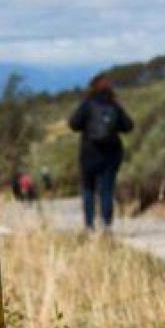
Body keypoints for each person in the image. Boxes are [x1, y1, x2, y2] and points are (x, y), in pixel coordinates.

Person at [67, 73, 134, 231]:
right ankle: (106, 225)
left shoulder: (87, 104)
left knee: (88, 190)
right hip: (110, 154)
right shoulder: (114, 105)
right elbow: (129, 126)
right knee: (107, 190)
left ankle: (89, 226)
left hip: (89, 154)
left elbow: (73, 124)